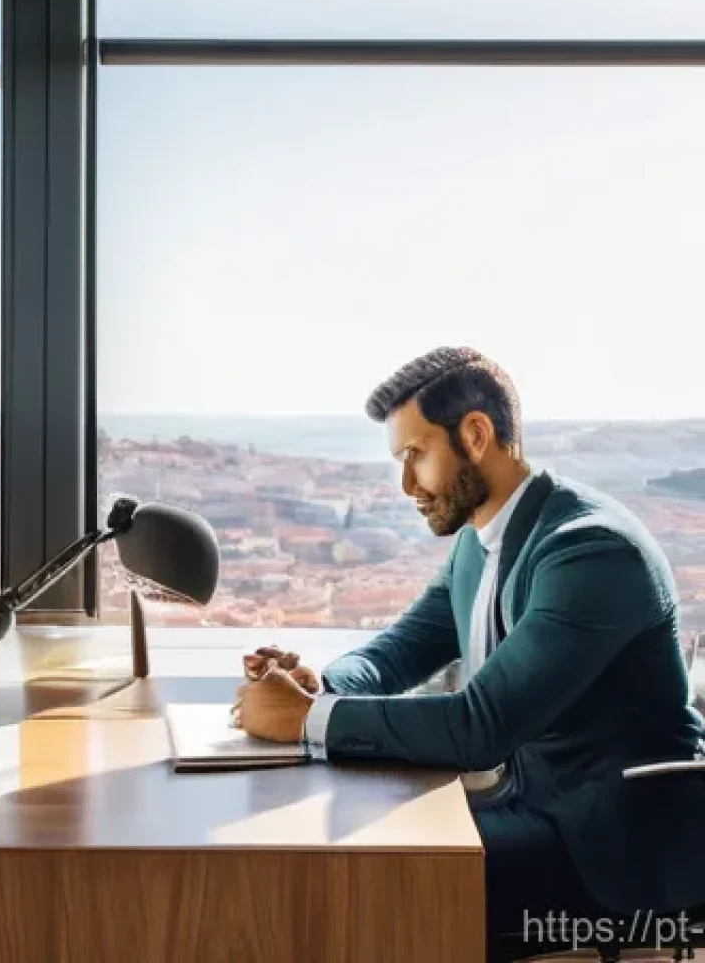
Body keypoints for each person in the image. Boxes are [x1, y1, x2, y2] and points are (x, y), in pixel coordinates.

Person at [232, 347, 705, 960]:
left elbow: (478, 727)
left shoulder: (589, 551)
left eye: (414, 456)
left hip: (611, 848)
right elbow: (398, 651)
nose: (405, 486)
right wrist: (316, 686)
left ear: (476, 433)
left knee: (372, 885)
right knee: (349, 867)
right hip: (528, 804)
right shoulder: (481, 541)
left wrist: (305, 719)